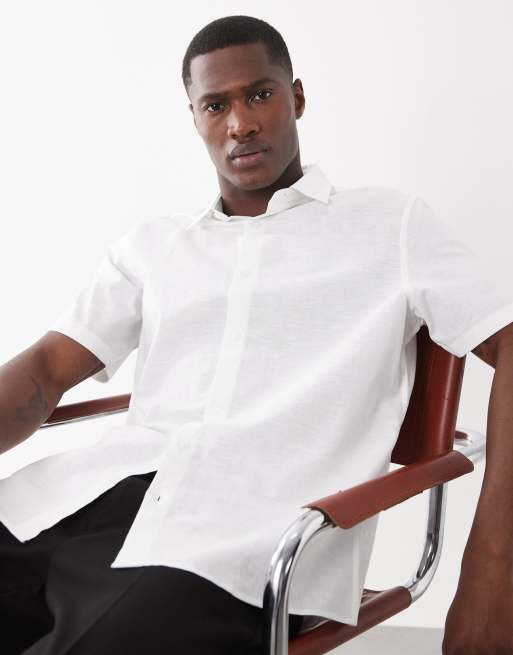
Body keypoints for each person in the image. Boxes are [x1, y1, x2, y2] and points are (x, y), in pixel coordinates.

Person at [1, 14, 513, 655]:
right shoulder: (156, 246)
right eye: (216, 105)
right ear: (195, 118)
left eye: (260, 94)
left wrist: (495, 562)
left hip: (242, 547)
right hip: (79, 503)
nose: (240, 123)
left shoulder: (391, 225)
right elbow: (46, 369)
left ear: (296, 97)